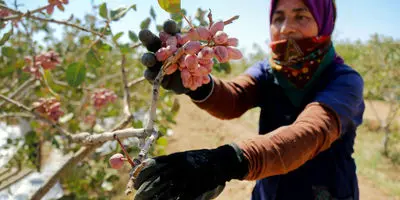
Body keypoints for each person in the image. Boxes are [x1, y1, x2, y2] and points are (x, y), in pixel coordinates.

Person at [134, 0, 365, 199]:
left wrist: (226, 162)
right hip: (271, 191)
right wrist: (196, 83)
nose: (286, 28)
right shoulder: (268, 69)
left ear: (324, 21)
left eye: (301, 16)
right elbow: (235, 97)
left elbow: (312, 131)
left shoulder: (345, 80)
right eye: (278, 18)